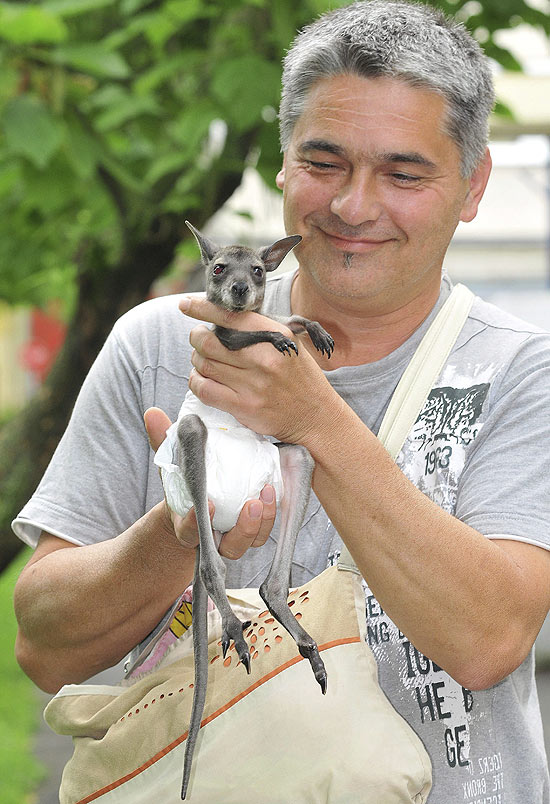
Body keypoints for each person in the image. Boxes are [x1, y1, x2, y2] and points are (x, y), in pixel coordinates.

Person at [12, 1, 550, 801]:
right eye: (324, 162)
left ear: (471, 187)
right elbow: (45, 644)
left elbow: (488, 638)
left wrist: (309, 415)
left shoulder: (520, 372)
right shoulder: (159, 344)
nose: (353, 206)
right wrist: (181, 525)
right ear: (283, 163)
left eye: (404, 173)